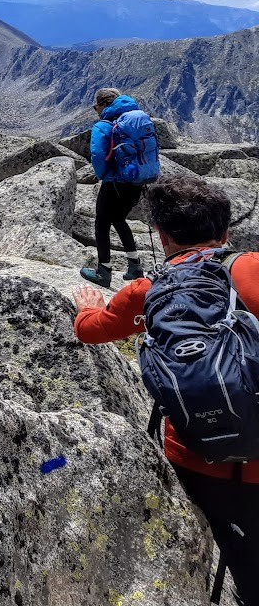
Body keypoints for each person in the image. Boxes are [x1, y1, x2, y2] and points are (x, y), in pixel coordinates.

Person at [72, 176, 258, 604]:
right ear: (226, 232)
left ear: (163, 236)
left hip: (195, 457)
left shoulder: (147, 291)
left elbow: (91, 332)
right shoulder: (253, 268)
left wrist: (88, 308)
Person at [81, 87, 159, 287]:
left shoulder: (104, 126)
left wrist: (104, 175)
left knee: (101, 224)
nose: (95, 110)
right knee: (119, 219)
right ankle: (135, 266)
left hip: (114, 182)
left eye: (95, 105)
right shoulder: (134, 121)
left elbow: (98, 155)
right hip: (137, 181)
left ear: (104, 104)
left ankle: (103, 272)